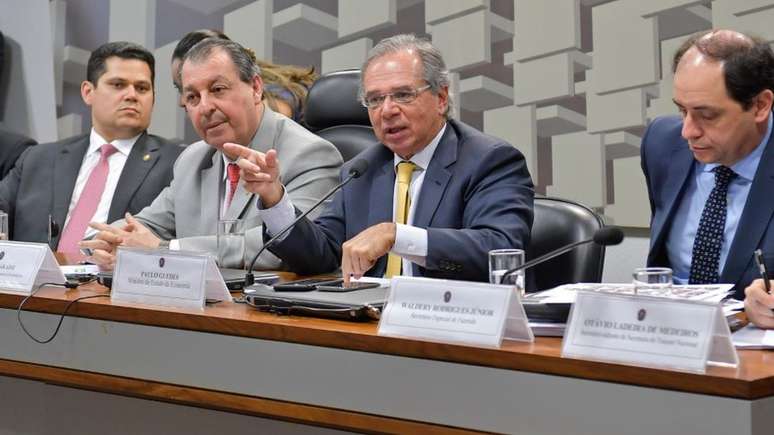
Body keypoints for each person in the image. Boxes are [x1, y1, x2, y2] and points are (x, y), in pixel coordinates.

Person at [226, 34, 534, 283]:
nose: (386, 111)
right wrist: (274, 197)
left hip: (451, 330)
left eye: (402, 95)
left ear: (441, 98)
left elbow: (500, 248)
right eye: (374, 100)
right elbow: (319, 256)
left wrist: (396, 235)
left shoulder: (490, 161)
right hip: (371, 328)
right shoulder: (362, 169)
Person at [83, 38, 341, 269]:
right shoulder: (193, 159)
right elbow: (146, 225)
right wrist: (105, 241)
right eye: (193, 97)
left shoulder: (310, 154)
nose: (204, 107)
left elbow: (279, 247)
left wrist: (165, 250)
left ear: (255, 88)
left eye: (217, 89)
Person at [0, 42, 182, 253]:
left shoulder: (177, 164)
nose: (132, 95)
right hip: (36, 282)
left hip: (111, 281)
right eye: (118, 84)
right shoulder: (37, 158)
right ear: (88, 92)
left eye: (142, 88)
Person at [641, 30, 774, 304]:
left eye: (707, 115)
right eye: (682, 110)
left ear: (760, 105)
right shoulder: (661, 144)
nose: (687, 131)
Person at [171, 29, 316, 123]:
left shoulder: (277, 104)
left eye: (217, 89)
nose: (182, 101)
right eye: (181, 89)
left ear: (256, 86)